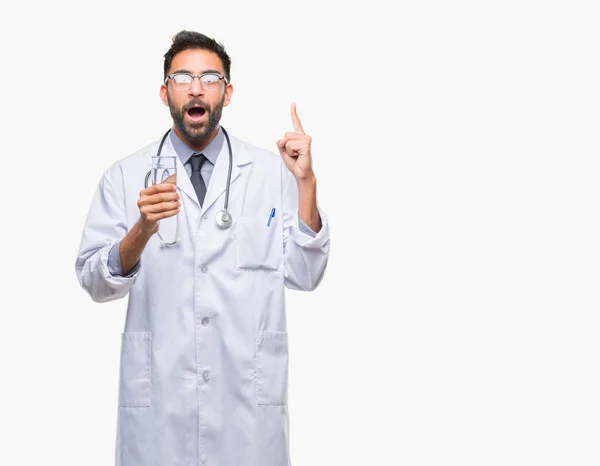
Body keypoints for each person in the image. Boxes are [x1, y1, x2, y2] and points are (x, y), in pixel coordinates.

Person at [74, 30, 330, 466]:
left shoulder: (272, 172)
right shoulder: (125, 174)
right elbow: (95, 282)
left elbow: (305, 276)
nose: (196, 87)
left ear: (227, 93)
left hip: (247, 407)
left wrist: (306, 183)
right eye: (182, 78)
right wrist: (142, 229)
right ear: (164, 92)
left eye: (210, 77)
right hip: (160, 410)